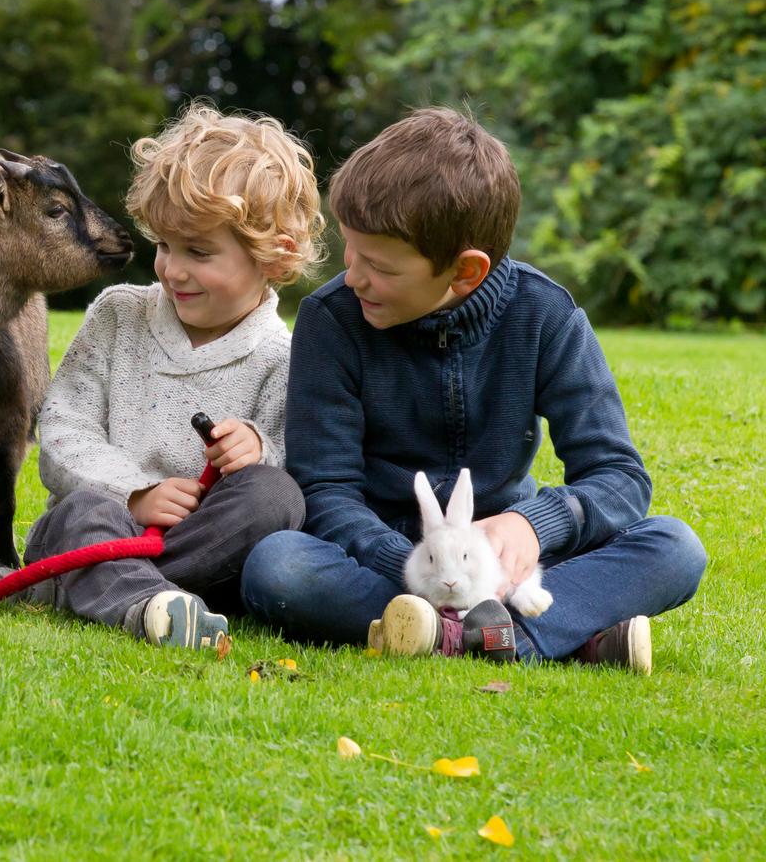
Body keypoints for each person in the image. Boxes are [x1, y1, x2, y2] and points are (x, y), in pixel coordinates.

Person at [240, 107, 707, 673]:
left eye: (380, 266)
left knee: (676, 547)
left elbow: (619, 476)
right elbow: (326, 490)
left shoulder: (545, 315)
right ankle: (545, 636)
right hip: (385, 560)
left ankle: (446, 634)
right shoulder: (330, 321)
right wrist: (416, 566)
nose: (354, 275)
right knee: (278, 566)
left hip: (504, 560)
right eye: (351, 249)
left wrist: (533, 526)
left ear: (465, 272)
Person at [0, 104, 323, 650]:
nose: (172, 269)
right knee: (83, 511)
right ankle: (143, 600)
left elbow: (301, 460)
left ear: (273, 258)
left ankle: (103, 587)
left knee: (275, 495)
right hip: (105, 524)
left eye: (199, 251)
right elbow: (63, 429)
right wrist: (134, 493)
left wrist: (259, 447)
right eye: (165, 246)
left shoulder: (283, 358)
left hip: (203, 544)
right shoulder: (119, 314)